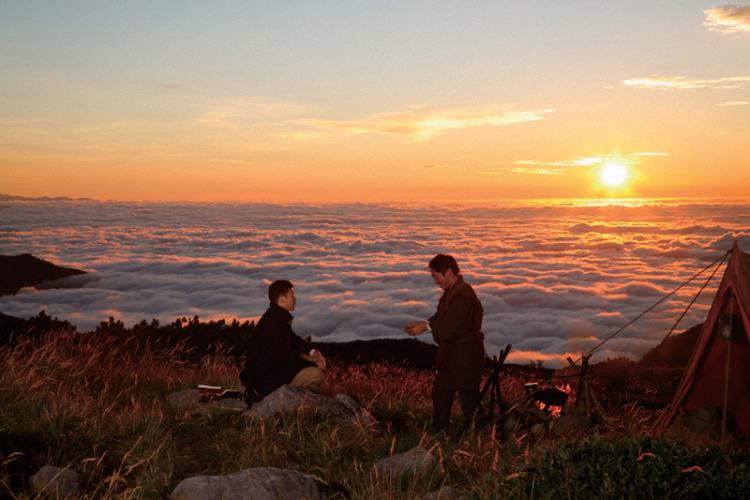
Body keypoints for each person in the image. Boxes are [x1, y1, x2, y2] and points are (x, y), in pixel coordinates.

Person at [405, 254, 485, 435]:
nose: (435, 281)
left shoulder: (464, 294)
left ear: (448, 272)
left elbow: (448, 326)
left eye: (436, 276)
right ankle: (440, 435)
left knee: (469, 399)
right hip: (451, 356)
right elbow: (442, 320)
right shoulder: (453, 292)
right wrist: (423, 324)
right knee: (441, 395)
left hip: (466, 357)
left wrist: (425, 327)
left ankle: (481, 438)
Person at [240, 280, 327, 403]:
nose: (295, 299)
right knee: (316, 375)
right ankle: (303, 406)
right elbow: (285, 357)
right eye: (292, 295)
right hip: (265, 381)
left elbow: (294, 340)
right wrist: (313, 363)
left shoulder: (276, 317)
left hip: (272, 372)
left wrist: (313, 352)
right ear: (282, 299)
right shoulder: (273, 324)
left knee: (313, 367)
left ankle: (300, 403)